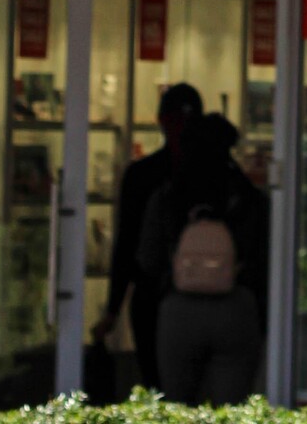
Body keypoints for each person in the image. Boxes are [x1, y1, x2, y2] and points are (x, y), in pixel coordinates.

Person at [136, 112, 269, 404]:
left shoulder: (169, 196)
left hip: (179, 310)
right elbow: (264, 258)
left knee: (179, 407)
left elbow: (148, 259)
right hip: (236, 310)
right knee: (231, 410)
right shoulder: (248, 196)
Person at [94, 81, 203, 389]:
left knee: (158, 384)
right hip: (202, 295)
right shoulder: (214, 174)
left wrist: (112, 309)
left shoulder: (142, 175)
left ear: (160, 121)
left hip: (154, 295)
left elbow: (126, 245)